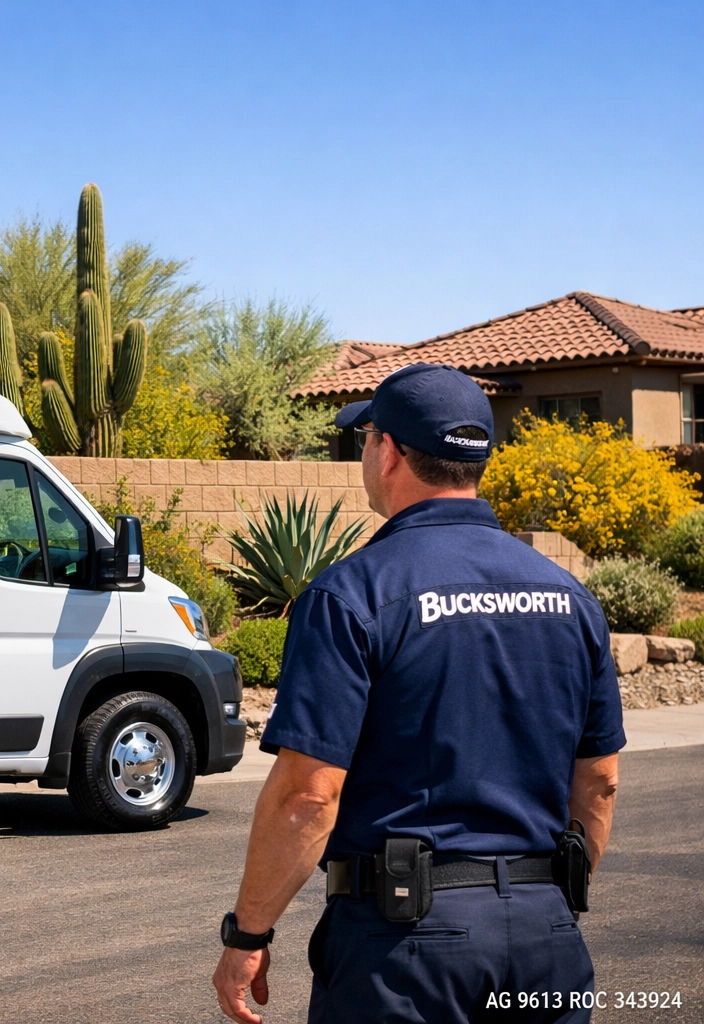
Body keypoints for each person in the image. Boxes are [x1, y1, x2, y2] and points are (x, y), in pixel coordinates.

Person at [210, 363, 624, 1024]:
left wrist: (248, 935)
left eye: (367, 438)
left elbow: (308, 795)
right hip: (546, 938)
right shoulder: (570, 598)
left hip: (404, 949)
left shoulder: (353, 595)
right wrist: (543, 899)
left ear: (390, 450)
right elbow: (598, 781)